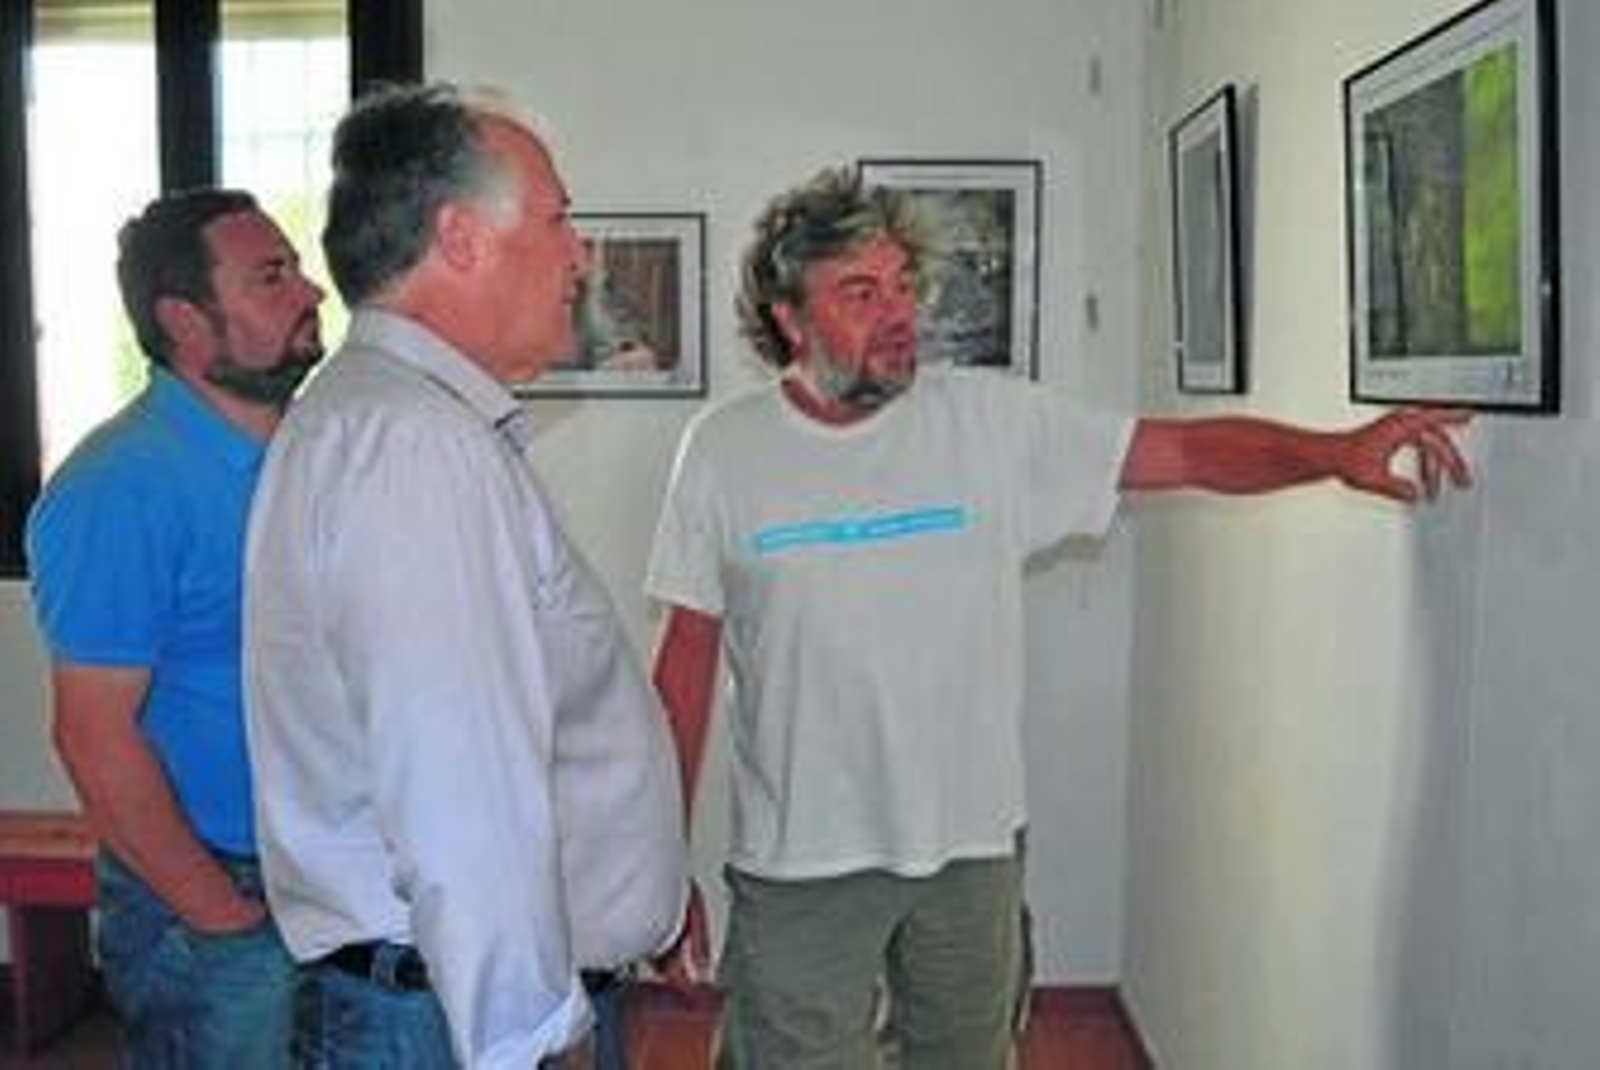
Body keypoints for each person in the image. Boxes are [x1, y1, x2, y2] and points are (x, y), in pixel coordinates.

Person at [645, 166, 1473, 1069]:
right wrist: (653, 860)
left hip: (971, 851)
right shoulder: (724, 453)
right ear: (788, 320)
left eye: (902, 285)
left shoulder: (990, 422)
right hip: (800, 858)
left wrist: (1336, 451)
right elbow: (686, 659)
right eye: (860, 292)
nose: (898, 312)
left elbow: (1187, 450)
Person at [242, 82, 688, 1069]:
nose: (580, 253)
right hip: (454, 1019)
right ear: (459, 238)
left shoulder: (396, 420)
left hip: (441, 999)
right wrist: (532, 1035)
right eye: (559, 217)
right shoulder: (411, 445)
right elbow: (459, 787)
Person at [26, 188, 326, 1065]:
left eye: (297, 267)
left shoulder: (314, 452)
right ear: (184, 322)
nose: (310, 292)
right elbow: (91, 737)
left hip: (324, 879)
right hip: (213, 902)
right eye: (272, 277)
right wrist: (222, 918)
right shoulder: (118, 487)